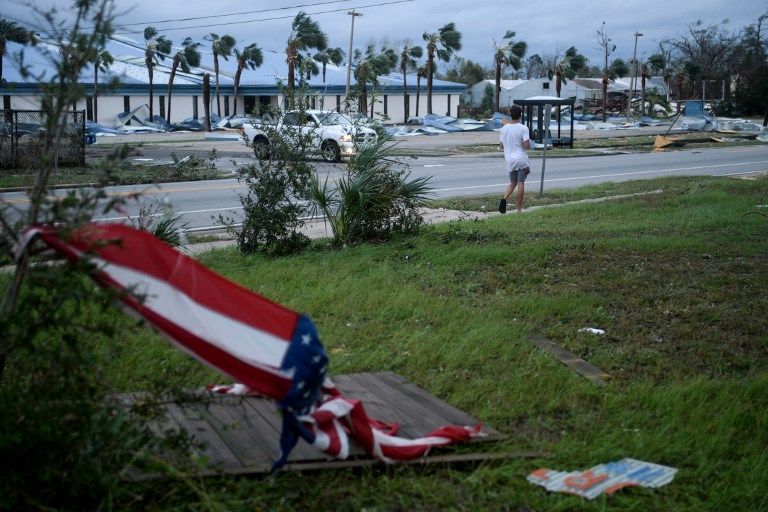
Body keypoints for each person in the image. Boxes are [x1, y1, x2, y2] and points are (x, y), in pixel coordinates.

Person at [498, 105, 530, 214]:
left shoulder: (504, 128)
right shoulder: (523, 128)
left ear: (510, 115)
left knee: (513, 182)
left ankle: (504, 198)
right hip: (521, 159)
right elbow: (527, 146)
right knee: (520, 182)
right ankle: (519, 209)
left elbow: (501, 145)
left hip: (510, 160)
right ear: (520, 115)